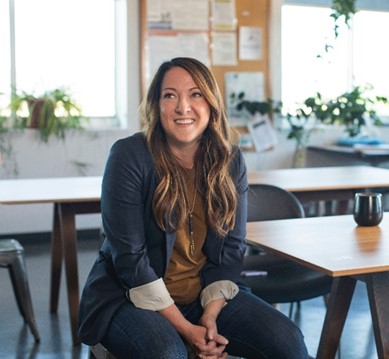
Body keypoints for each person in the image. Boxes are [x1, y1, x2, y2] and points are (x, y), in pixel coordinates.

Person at [78, 57, 309, 359]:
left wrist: (210, 318)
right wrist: (188, 332)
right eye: (170, 95)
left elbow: (232, 250)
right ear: (156, 105)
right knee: (169, 353)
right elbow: (130, 261)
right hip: (128, 298)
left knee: (287, 340)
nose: (183, 107)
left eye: (195, 94)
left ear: (211, 103)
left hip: (205, 296)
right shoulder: (129, 155)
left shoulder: (230, 160)